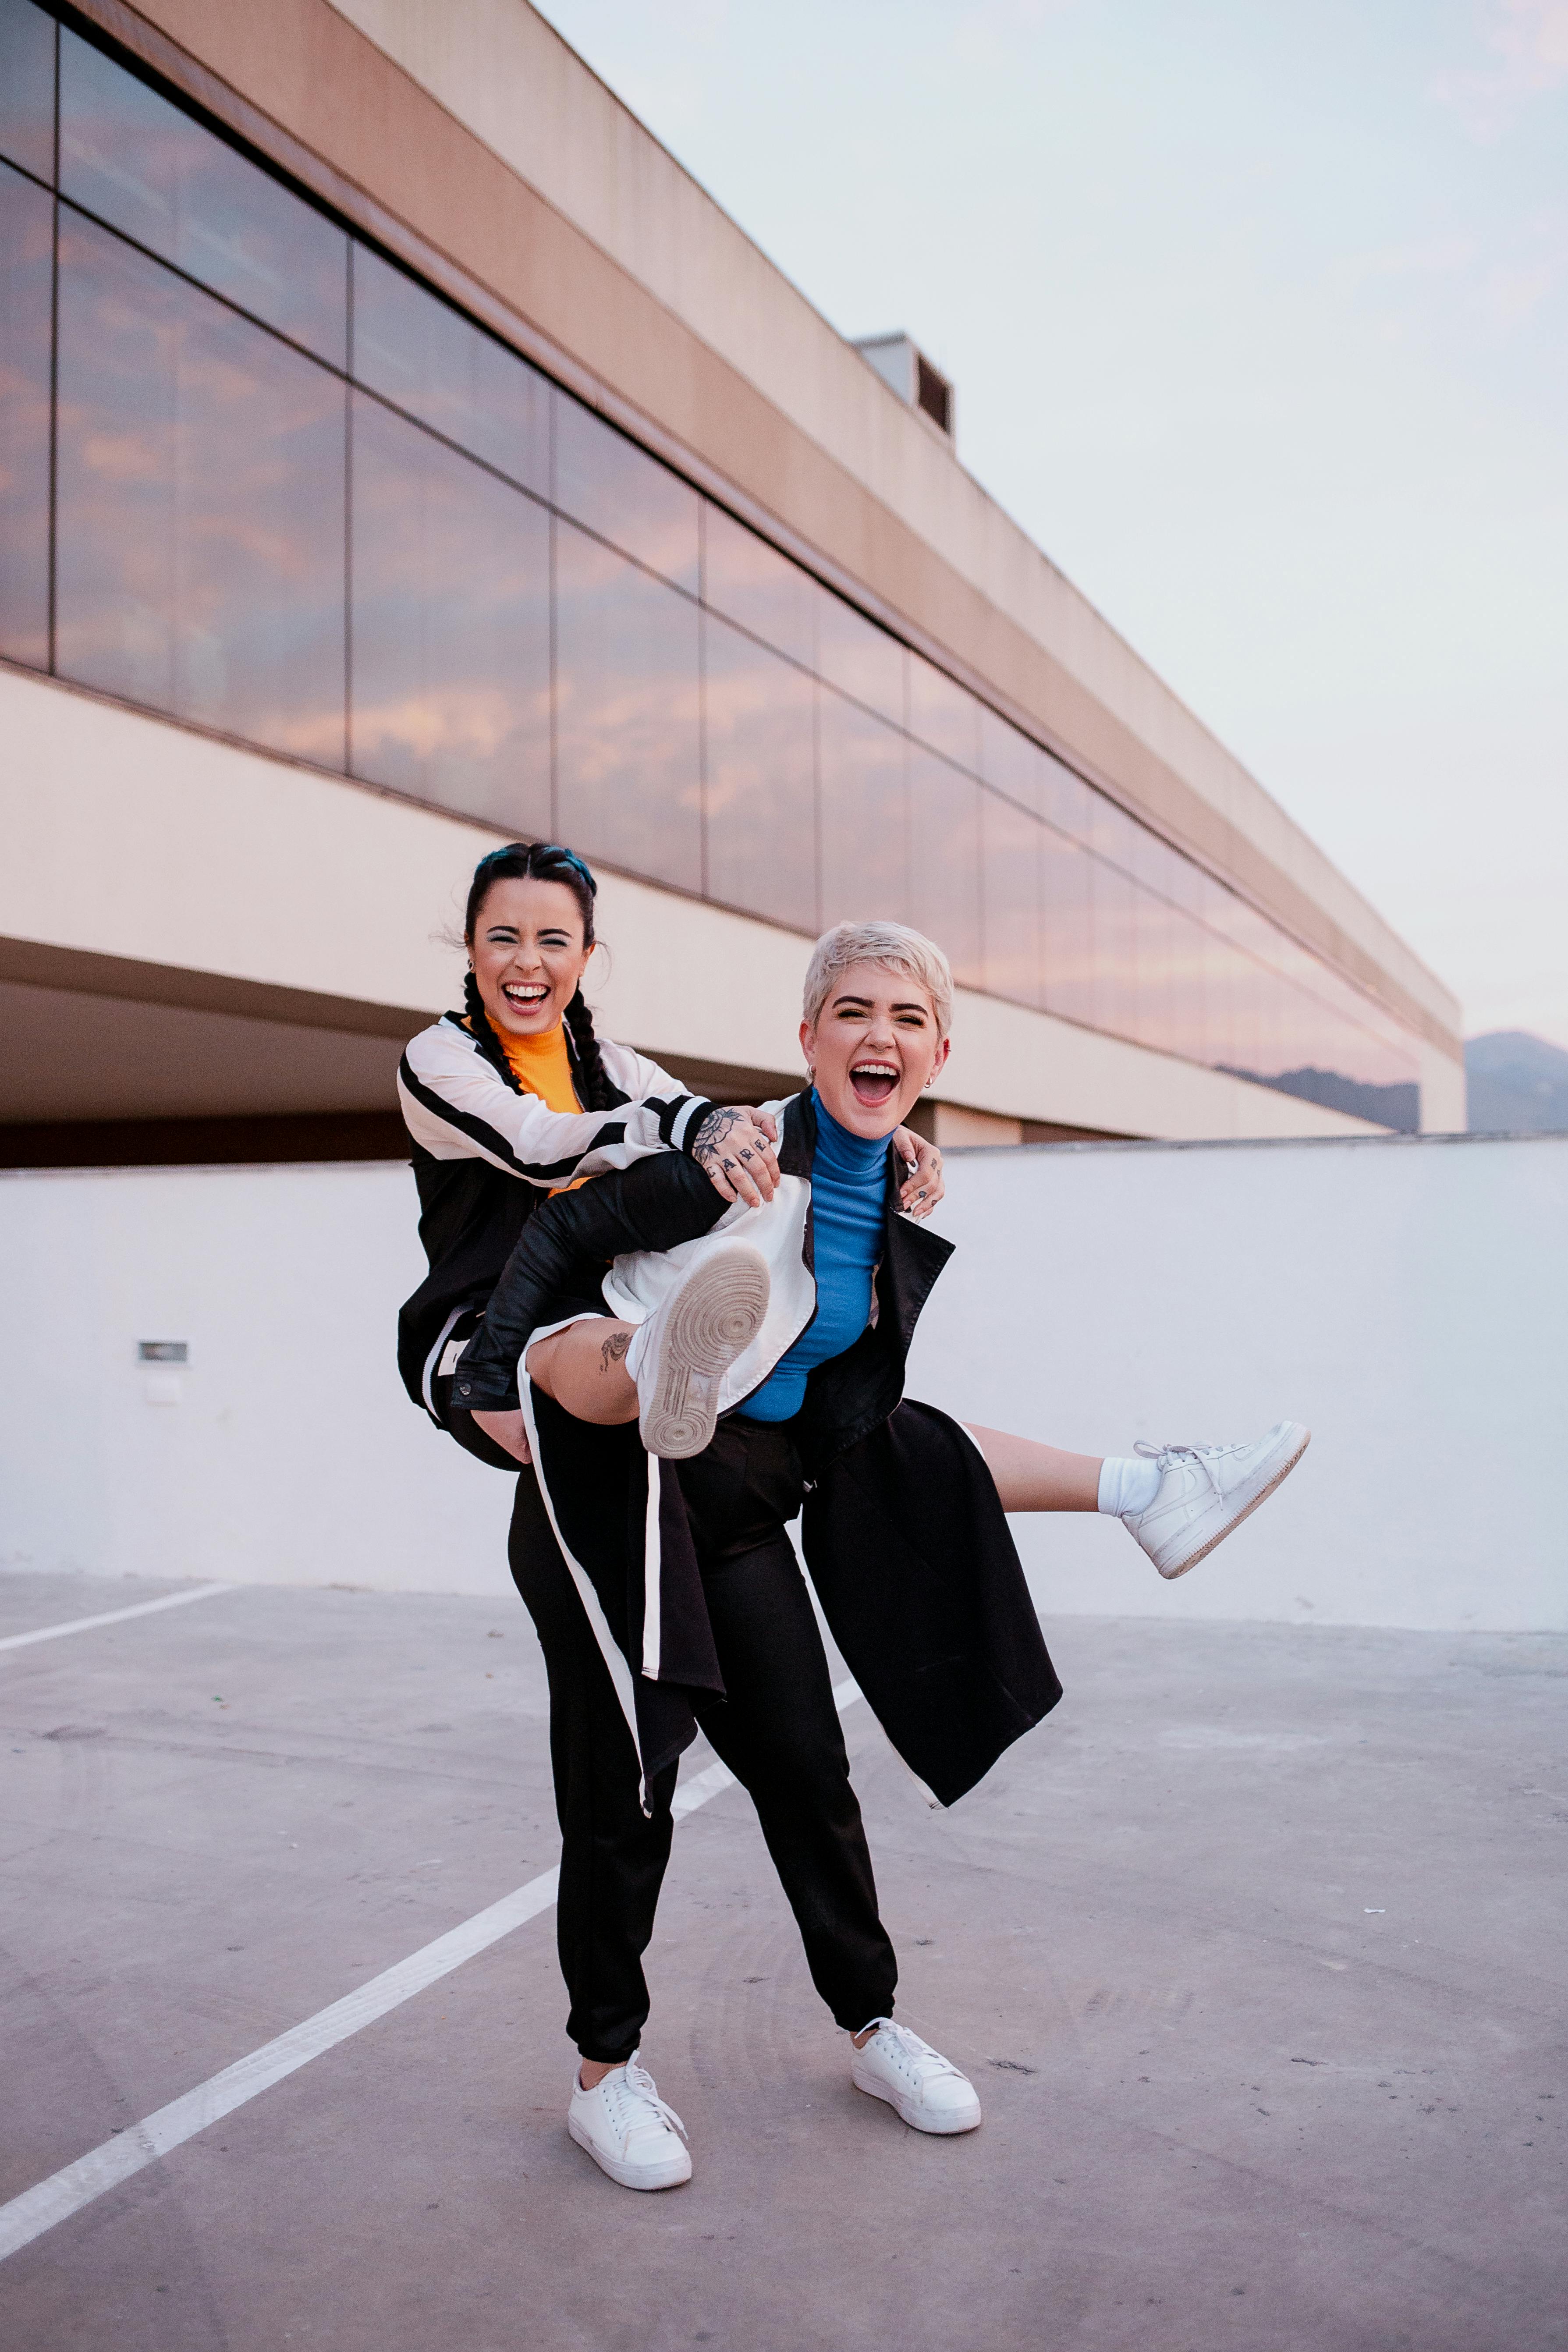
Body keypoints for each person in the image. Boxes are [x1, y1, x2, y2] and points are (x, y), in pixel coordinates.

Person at [447, 918, 1309, 2194]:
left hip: (733, 1507)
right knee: (627, 1786)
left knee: (807, 1770)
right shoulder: (732, 1157)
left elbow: (857, 1397)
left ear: (938, 1055)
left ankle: (872, 2026)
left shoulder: (891, 1188)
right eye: (851, 1012)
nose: (878, 1036)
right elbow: (563, 1237)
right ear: (807, 1038)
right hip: (610, 1493)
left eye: (906, 1021)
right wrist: (482, 1374)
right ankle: (605, 2075)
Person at [395, 841, 944, 1471]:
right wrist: (484, 1382)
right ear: (469, 946)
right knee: (619, 1356)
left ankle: (672, 1359)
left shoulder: (615, 1066)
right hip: (482, 1323)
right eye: (502, 938)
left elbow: (735, 1129)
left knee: (633, 1360)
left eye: (552, 940)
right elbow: (538, 1147)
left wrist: (879, 1135)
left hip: (601, 1302)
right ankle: (661, 1359)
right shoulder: (438, 1059)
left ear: (585, 956)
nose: (527, 962)